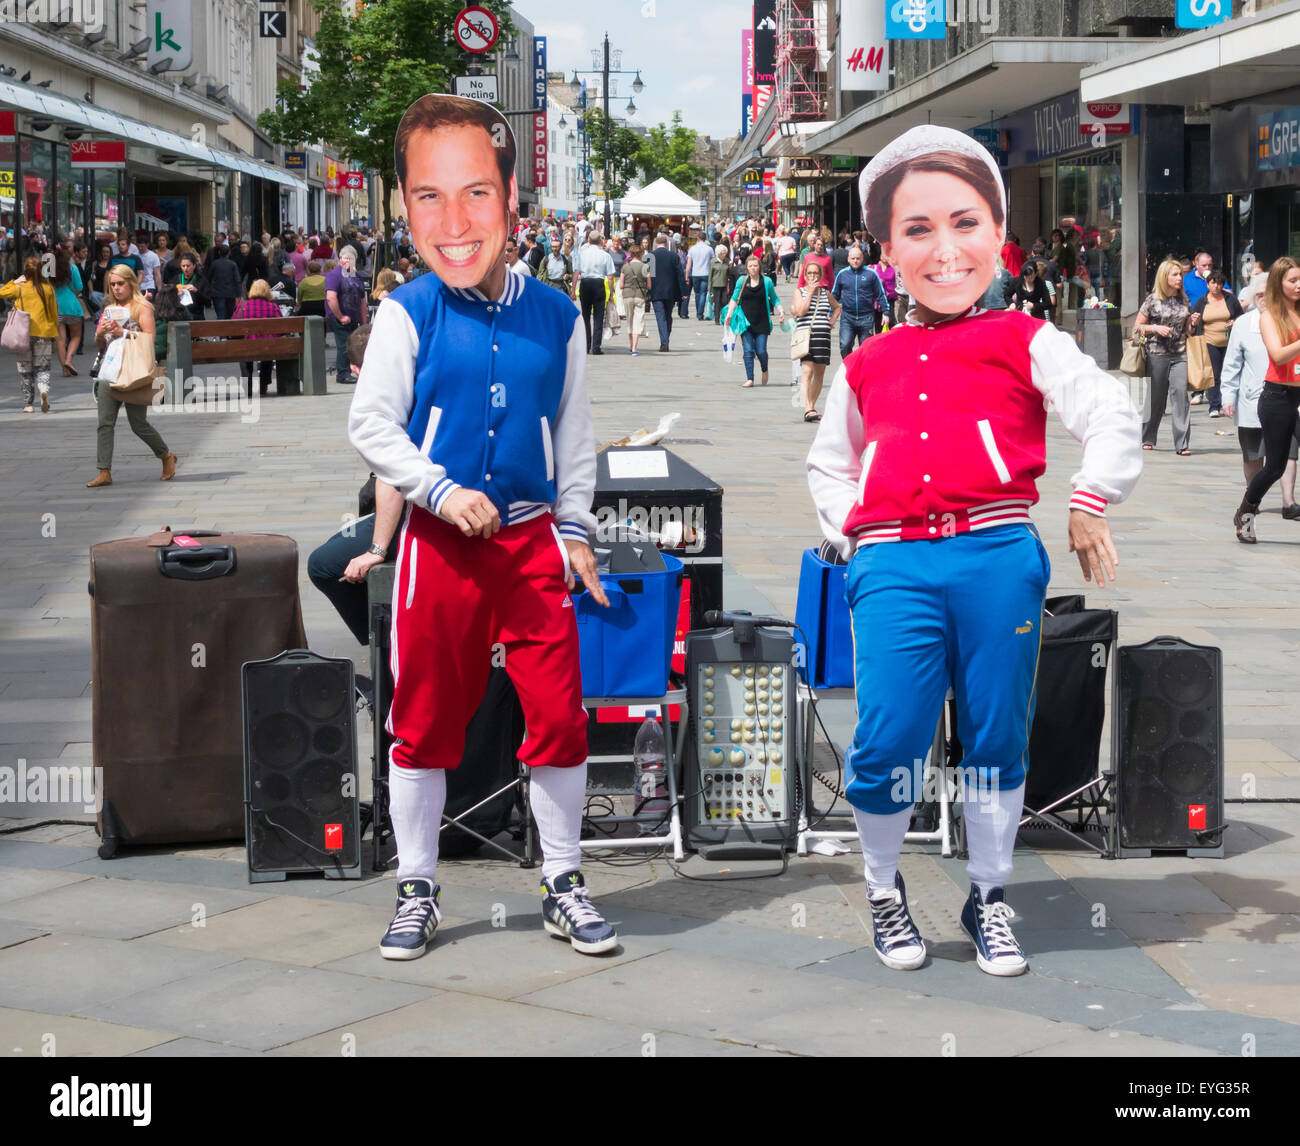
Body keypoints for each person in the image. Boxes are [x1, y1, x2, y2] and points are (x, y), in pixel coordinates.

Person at [807, 124, 1141, 980]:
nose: (944, 250)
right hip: (895, 565)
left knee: (997, 736)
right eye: (918, 230)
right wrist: (857, 535)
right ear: (889, 249)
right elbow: (830, 462)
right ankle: (883, 889)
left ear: (998, 235)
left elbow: (1109, 411)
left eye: (965, 224)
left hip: (996, 554)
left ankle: (989, 896)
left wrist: (1089, 497)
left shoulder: (1026, 338)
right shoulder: (868, 359)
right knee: (885, 738)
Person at [347, 92, 617, 962]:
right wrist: (434, 488)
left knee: (560, 715)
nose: (454, 221)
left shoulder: (559, 317)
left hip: (534, 543)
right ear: (405, 206)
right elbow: (371, 424)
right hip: (442, 549)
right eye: (429, 196)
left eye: (476, 194)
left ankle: (564, 880)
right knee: (423, 716)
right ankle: (417, 886)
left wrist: (575, 529)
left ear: (510, 198)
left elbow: (574, 434)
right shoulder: (407, 311)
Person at [85, 265, 176, 487]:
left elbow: (150, 339)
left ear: (131, 283)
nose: (116, 289)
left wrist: (122, 332)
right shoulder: (109, 308)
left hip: (134, 371)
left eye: (120, 284)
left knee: (138, 424)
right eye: (112, 285)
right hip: (110, 370)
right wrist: (101, 333)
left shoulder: (142, 306)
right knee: (104, 423)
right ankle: (104, 471)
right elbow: (100, 344)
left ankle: (166, 456)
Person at [1234, 257, 1300, 543]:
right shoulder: (1269, 317)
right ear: (1279, 284)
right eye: (1293, 281)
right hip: (1277, 397)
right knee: (1274, 466)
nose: (1299, 285)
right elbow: (1279, 354)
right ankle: (1245, 513)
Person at [1220, 306, 1280, 506]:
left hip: (1284, 400)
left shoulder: (1289, 318)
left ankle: (1288, 501)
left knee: (1285, 457)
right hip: (1251, 399)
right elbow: (1232, 363)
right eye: (1260, 293)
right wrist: (1228, 395)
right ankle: (1251, 497)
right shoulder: (1244, 323)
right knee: (1253, 455)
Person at [1135, 259, 1193, 455]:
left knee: (1180, 396)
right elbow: (1137, 328)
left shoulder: (1184, 300)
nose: (1179, 278)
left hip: (1180, 353)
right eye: (1175, 274)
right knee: (1156, 398)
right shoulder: (1152, 300)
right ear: (1165, 277)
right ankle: (1148, 437)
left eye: (1180, 275)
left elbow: (1188, 331)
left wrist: (1192, 323)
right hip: (1157, 354)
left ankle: (1182, 443)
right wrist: (1154, 328)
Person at [1, 256, 59, 413]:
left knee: (25, 370)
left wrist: (15, 281)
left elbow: (1, 292)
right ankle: (43, 390)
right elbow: (54, 312)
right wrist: (55, 331)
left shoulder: (20, 288)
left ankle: (28, 404)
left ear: (26, 272)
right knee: (43, 368)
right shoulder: (48, 289)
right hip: (44, 333)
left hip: (23, 334)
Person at [724, 253, 785, 388]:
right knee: (748, 350)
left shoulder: (767, 281)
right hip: (745, 322)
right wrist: (729, 314)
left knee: (761, 351)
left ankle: (764, 369)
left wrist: (781, 311)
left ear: (759, 267)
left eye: (755, 265)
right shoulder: (742, 281)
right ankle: (750, 378)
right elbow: (734, 298)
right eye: (750, 266)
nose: (752, 268)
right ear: (747, 268)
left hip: (762, 322)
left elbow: (774, 298)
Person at [791, 259, 839, 422]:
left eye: (815, 273)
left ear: (820, 275)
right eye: (809, 273)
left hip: (822, 336)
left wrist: (832, 319)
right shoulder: (799, 292)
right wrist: (810, 292)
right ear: (805, 275)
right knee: (807, 371)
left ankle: (811, 406)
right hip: (806, 336)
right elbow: (801, 311)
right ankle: (808, 408)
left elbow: (837, 307)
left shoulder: (826, 293)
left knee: (819, 374)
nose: (812, 276)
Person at [1191, 270, 1242, 419]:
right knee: (1214, 372)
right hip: (1209, 340)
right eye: (1213, 283)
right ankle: (1214, 405)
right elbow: (1194, 319)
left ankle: (1229, 403)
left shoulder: (1230, 299)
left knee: (1228, 372)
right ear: (1208, 284)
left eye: (1219, 283)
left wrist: (1235, 322)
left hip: (1229, 341)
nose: (1216, 286)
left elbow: (1240, 315)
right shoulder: (1202, 301)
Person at [233, 279, 297, 397]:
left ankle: (248, 385)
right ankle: (263, 384)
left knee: (244, 355)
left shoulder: (243, 306)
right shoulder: (272, 307)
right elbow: (283, 328)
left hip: (247, 345)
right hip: (268, 346)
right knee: (267, 353)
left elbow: (233, 326)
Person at [831, 245, 886, 358]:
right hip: (848, 317)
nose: (855, 261)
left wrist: (886, 312)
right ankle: (849, 368)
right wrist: (831, 315)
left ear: (862, 258)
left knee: (866, 349)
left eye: (858, 258)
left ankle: (862, 372)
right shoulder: (842, 274)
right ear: (848, 259)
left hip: (866, 317)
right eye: (853, 258)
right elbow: (834, 295)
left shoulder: (871, 274)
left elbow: (881, 294)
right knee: (845, 345)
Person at [325, 245, 367, 378]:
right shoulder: (334, 275)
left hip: (353, 316)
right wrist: (340, 316)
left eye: (351, 258)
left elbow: (362, 301)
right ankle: (343, 373)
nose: (349, 261)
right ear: (340, 259)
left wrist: (364, 321)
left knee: (352, 344)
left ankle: (350, 370)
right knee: (344, 344)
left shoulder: (357, 276)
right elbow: (331, 297)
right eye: (346, 258)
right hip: (339, 316)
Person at [575, 230, 614, 355]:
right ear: (600, 241)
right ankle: (596, 347)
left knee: (585, 316)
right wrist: (612, 293)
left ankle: (586, 346)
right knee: (598, 316)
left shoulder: (582, 254)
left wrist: (572, 290)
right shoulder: (605, 255)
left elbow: (576, 273)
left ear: (588, 241)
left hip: (585, 283)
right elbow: (610, 277)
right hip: (598, 284)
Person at [52, 246, 85, 377]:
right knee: (76, 336)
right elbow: (79, 287)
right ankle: (69, 360)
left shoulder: (49, 271)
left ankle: (64, 370)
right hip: (72, 306)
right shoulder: (72, 268)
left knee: (60, 340)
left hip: (55, 308)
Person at [648, 232, 684, 351]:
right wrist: (683, 291)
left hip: (655, 290)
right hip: (670, 291)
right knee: (668, 316)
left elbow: (646, 275)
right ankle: (665, 340)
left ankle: (664, 342)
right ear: (666, 243)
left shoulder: (650, 256)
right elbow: (680, 275)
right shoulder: (674, 256)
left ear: (656, 244)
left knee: (660, 317)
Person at [620, 241, 650, 355]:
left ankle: (630, 344)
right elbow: (649, 285)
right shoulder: (645, 267)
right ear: (641, 254)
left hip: (627, 295)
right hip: (640, 296)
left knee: (629, 321)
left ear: (631, 254)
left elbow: (621, 285)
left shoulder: (625, 267)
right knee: (638, 321)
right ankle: (634, 348)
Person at [203, 244, 241, 320]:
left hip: (217, 293)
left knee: (220, 314)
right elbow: (237, 280)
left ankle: (221, 329)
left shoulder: (214, 264)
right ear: (229, 253)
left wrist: (208, 291)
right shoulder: (233, 264)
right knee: (229, 314)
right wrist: (238, 294)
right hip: (230, 293)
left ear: (219, 252)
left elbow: (209, 277)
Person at [687, 230, 713, 320]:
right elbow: (712, 261)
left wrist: (687, 275)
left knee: (697, 294)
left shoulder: (692, 249)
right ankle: (700, 313)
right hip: (705, 273)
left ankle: (699, 311)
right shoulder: (709, 249)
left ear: (697, 239)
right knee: (703, 294)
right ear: (705, 239)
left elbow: (689, 264)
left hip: (695, 273)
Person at [708, 243, 735, 326]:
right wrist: (709, 288)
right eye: (722, 253)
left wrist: (731, 266)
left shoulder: (727, 261)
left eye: (725, 253)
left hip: (724, 284)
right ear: (718, 253)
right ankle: (716, 319)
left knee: (724, 301)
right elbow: (710, 275)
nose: (724, 255)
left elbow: (729, 272)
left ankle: (724, 317)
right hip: (715, 285)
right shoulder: (713, 261)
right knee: (717, 302)